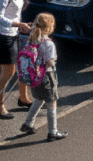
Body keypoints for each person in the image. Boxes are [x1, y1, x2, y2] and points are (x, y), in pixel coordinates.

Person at [19, 13, 68, 141]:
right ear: (49, 28)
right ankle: (53, 132)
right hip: (47, 76)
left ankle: (28, 123)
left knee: (38, 99)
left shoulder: (32, 37)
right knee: (52, 103)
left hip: (34, 76)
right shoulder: (48, 43)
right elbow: (50, 62)